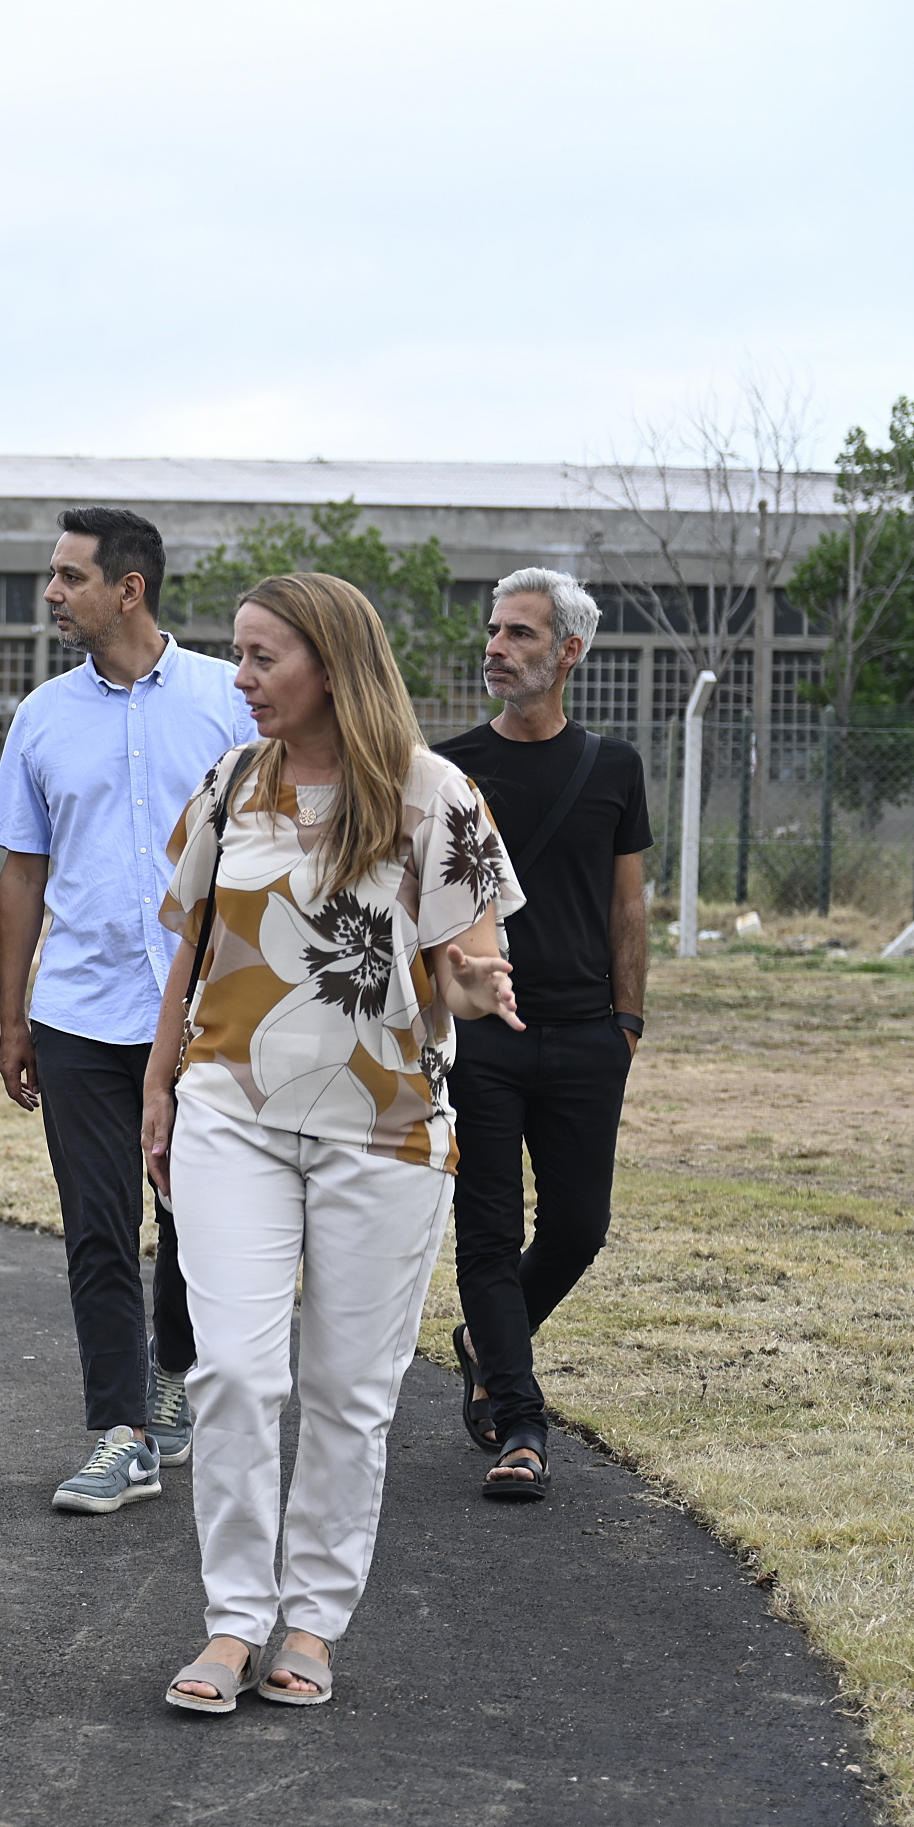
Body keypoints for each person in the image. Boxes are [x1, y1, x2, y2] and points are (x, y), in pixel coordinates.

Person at [141, 572, 522, 1714]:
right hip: (231, 1111)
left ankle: (311, 1617)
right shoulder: (230, 785)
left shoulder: (431, 792)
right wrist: (159, 1083)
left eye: (264, 657)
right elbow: (194, 945)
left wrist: (469, 976)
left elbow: (466, 959)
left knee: (351, 1389)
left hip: (385, 1129)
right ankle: (231, 1618)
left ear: (331, 663)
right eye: (241, 656)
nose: (244, 678)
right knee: (238, 1373)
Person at [0, 508, 262, 1514]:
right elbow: (23, 872)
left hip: (207, 1015)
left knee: (196, 1218)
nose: (52, 592)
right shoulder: (42, 716)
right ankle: (123, 1431)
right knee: (97, 1224)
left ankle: (171, 1368)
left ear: (128, 587)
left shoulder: (226, 702)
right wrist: (12, 1016)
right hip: (80, 1014)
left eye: (68, 576)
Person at [436, 569, 648, 1502]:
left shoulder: (614, 768)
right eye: (494, 630)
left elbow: (627, 903)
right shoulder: (446, 769)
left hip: (585, 1033)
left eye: (520, 634)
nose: (497, 647)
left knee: (577, 1226)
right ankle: (521, 1425)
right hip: (482, 1035)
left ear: (568, 652)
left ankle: (486, 1338)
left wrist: (629, 1022)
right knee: (486, 1232)